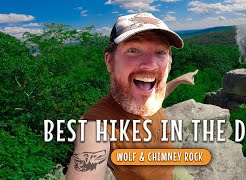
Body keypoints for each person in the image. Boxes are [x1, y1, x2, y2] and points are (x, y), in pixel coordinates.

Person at [66, 12, 198, 180]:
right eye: (133, 50)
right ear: (110, 61)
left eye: (160, 52)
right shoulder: (97, 123)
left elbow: (158, 97)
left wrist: (179, 80)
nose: (150, 65)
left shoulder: (150, 97)